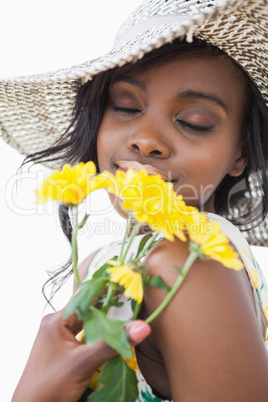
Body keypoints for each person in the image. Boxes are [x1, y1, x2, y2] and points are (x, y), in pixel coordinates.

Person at [1, 0, 268, 400]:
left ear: (240, 154)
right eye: (126, 106)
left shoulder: (190, 261)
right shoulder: (102, 263)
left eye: (193, 122)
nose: (145, 139)